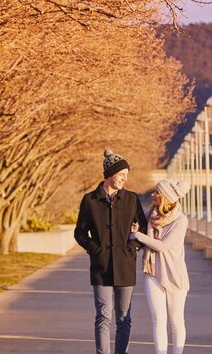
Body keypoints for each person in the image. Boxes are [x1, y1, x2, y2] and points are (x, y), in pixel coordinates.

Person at [74, 148, 148, 354]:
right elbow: (79, 233)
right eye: (121, 175)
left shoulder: (132, 199)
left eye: (126, 175)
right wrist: (95, 250)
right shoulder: (90, 200)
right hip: (101, 266)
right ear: (110, 175)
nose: (125, 179)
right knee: (103, 316)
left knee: (124, 318)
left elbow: (143, 228)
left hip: (125, 265)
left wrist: (132, 248)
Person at [130, 178, 191, 354]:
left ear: (166, 197)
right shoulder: (151, 214)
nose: (153, 194)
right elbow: (140, 232)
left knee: (176, 321)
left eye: (157, 192)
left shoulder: (181, 220)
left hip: (175, 275)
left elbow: (162, 245)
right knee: (158, 319)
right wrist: (138, 230)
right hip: (152, 271)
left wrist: (138, 236)